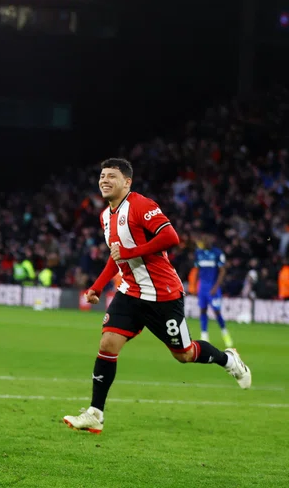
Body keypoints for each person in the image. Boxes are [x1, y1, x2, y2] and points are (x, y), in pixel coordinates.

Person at [63, 158, 251, 434]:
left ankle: (228, 360)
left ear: (127, 182)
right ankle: (95, 413)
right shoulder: (106, 216)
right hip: (130, 292)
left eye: (111, 176)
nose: (104, 180)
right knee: (108, 344)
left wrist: (130, 253)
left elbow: (171, 237)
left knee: (184, 354)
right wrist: (97, 286)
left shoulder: (141, 205)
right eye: (102, 175)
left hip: (163, 295)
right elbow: (117, 258)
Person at [194, 233, 233, 347]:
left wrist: (216, 287)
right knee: (202, 310)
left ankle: (225, 333)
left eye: (208, 239)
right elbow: (197, 270)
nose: (206, 242)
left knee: (217, 312)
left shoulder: (217, 253)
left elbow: (222, 271)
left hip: (213, 288)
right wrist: (196, 286)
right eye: (205, 239)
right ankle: (204, 335)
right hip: (202, 288)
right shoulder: (198, 253)